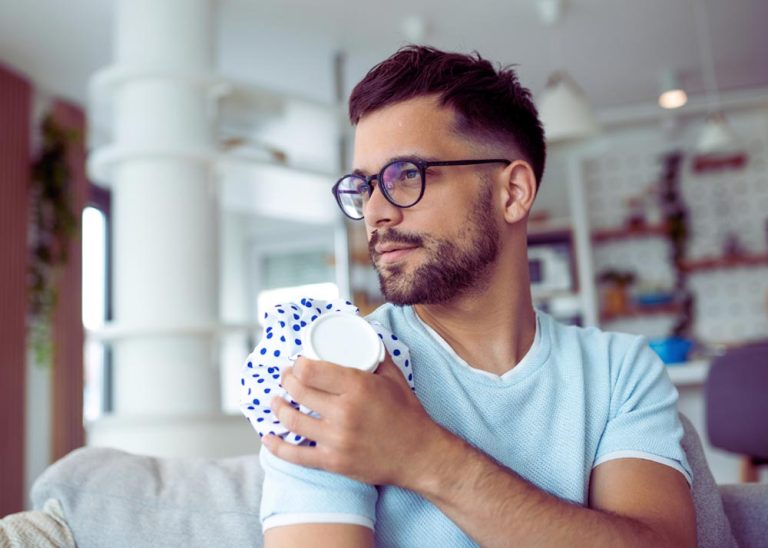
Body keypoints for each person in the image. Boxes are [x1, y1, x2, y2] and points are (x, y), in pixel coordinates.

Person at [258, 46, 697, 547]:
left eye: (407, 175)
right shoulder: (338, 368)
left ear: (512, 193)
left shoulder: (619, 371)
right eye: (364, 185)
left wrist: (422, 456)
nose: (377, 212)